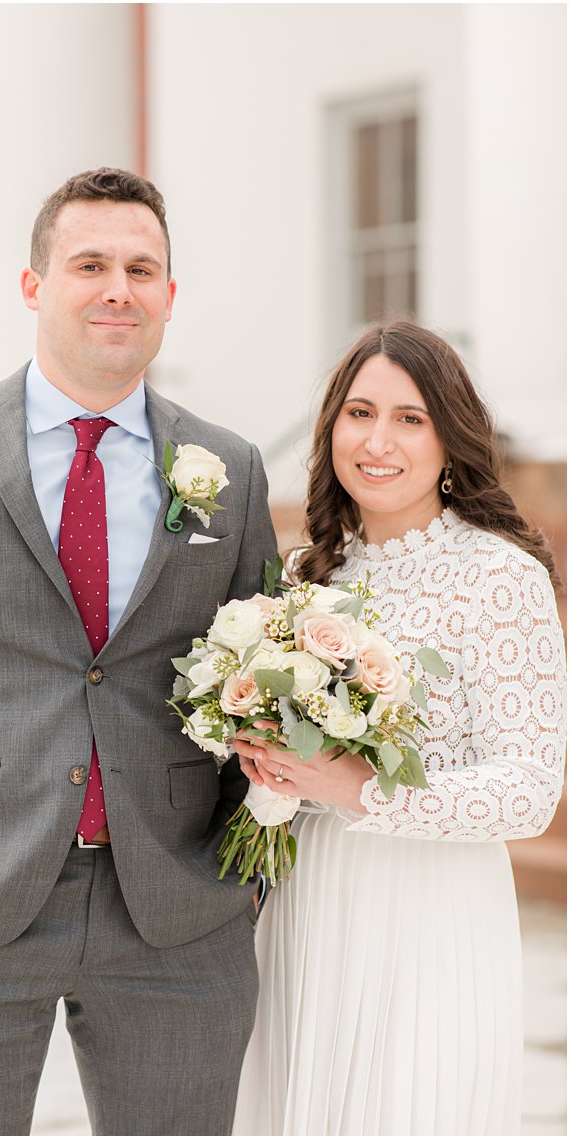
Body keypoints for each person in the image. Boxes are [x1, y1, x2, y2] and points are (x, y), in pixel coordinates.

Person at [0, 167, 279, 1135]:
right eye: (89, 264)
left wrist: (244, 868)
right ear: (34, 285)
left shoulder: (226, 468)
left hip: (177, 909)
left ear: (167, 295)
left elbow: (259, 677)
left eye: (140, 268)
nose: (117, 287)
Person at [231, 321, 565, 1135]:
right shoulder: (307, 571)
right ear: (331, 431)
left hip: (430, 917)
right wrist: (267, 768)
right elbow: (282, 770)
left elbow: (530, 789)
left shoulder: (499, 577)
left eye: (410, 418)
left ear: (451, 439)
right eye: (359, 412)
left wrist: (362, 787)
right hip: (307, 908)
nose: (379, 440)